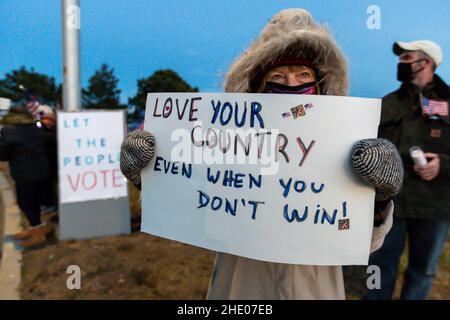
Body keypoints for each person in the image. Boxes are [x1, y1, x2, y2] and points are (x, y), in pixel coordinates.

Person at [120, 9, 404, 299]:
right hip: (241, 284)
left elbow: (363, 240)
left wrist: (378, 198)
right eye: (278, 76)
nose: (291, 86)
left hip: (315, 285)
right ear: (257, 90)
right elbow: (194, 202)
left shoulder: (345, 149)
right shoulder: (228, 147)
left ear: (319, 87)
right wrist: (151, 175)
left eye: (303, 75)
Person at [365, 40, 450, 300]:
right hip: (392, 203)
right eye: (400, 58)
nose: (400, 63)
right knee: (379, 265)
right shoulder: (389, 103)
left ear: (426, 62)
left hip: (435, 205)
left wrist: (443, 164)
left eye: (406, 58)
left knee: (422, 271)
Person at [0, 107, 53, 247]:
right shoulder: (36, 127)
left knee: (26, 203)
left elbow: (3, 155)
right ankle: (35, 228)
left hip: (25, 173)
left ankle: (38, 234)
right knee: (34, 202)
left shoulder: (8, 130)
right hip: (42, 171)